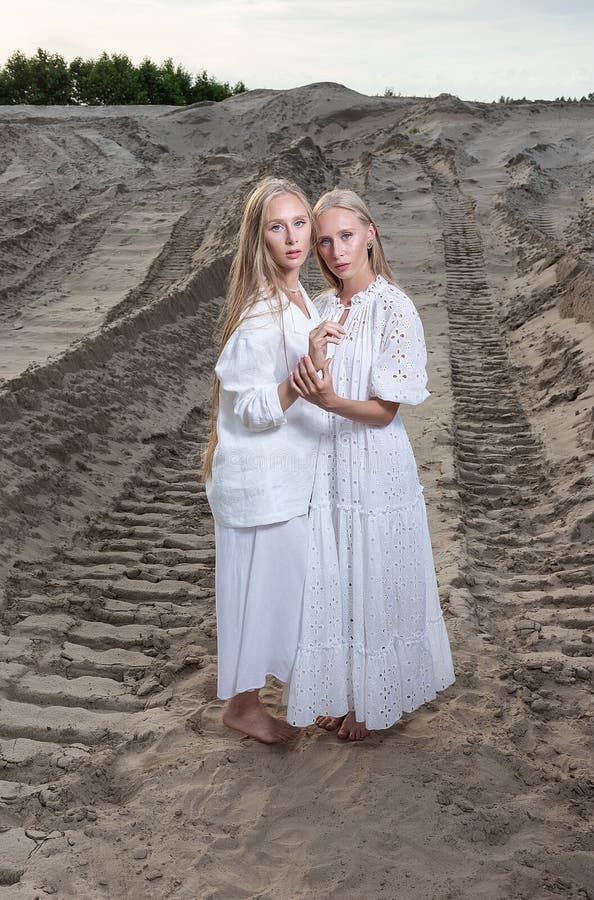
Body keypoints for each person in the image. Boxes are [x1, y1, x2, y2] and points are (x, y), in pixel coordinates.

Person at [286, 188, 456, 740]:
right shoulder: (321, 306)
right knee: (333, 573)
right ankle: (340, 690)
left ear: (370, 234)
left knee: (374, 574)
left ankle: (375, 698)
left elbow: (384, 412)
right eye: (326, 241)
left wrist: (330, 401)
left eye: (347, 236)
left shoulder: (395, 307)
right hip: (326, 462)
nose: (336, 252)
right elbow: (305, 382)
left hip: (374, 463)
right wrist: (311, 358)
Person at [203, 177, 344, 744]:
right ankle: (243, 707)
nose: (292, 238)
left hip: (289, 476)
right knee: (256, 595)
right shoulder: (260, 313)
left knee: (289, 592)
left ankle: (304, 695)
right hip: (259, 481)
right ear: (257, 238)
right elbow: (255, 409)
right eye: (276, 226)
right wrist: (295, 381)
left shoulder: (302, 296)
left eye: (299, 224)